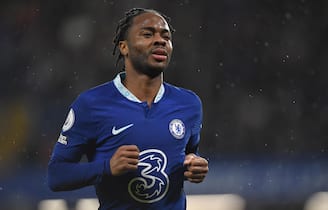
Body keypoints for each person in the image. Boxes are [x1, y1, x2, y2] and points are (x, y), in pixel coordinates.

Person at [48, 8, 209, 210]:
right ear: (124, 47)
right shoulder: (92, 104)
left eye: (165, 36)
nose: (160, 40)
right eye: (148, 34)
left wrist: (194, 164)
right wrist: (107, 167)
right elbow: (56, 175)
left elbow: (188, 154)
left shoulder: (189, 104)